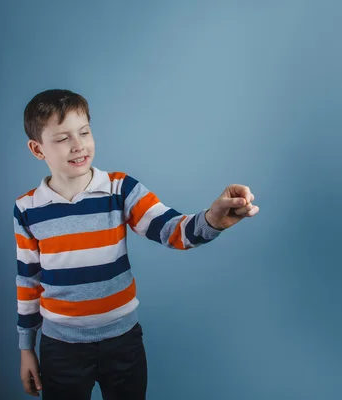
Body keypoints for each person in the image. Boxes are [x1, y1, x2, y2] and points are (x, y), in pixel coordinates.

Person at [14, 89, 259, 399]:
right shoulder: (27, 209)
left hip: (122, 342)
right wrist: (27, 348)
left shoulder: (121, 189)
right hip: (61, 349)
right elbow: (28, 281)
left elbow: (171, 230)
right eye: (63, 139)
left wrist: (212, 219)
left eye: (85, 132)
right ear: (38, 149)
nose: (78, 146)